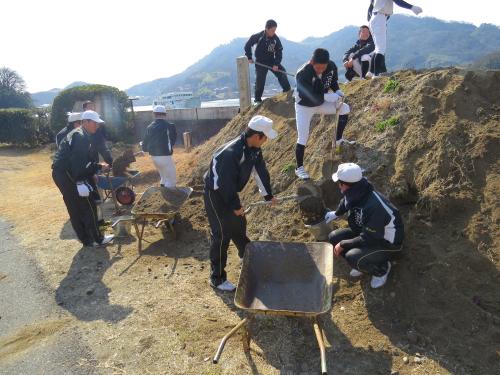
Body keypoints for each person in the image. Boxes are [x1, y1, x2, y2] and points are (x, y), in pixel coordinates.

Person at [203, 116, 278, 291]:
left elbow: (260, 172)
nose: (266, 140)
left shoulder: (254, 149)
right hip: (215, 194)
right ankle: (217, 278)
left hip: (228, 192)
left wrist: (268, 196)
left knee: (239, 224)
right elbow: (225, 183)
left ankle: (246, 255)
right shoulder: (231, 153)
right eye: (265, 137)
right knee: (221, 234)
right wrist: (235, 206)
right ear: (256, 135)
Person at [325, 163, 404, 288]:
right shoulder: (356, 190)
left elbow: (369, 237)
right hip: (368, 232)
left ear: (344, 184)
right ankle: (363, 260)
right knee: (334, 237)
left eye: (339, 183)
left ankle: (381, 269)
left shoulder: (374, 205)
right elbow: (345, 202)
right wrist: (336, 213)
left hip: (387, 243)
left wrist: (344, 244)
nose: (338, 186)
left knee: (352, 256)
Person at [52, 110, 114, 247]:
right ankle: (97, 238)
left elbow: (81, 160)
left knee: (75, 207)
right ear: (86, 122)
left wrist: (92, 172)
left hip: (62, 173)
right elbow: (78, 164)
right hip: (69, 175)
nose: (97, 126)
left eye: (98, 124)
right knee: (88, 205)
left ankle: (86, 240)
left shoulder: (79, 133)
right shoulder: (80, 136)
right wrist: (85, 178)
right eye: (95, 123)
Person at [293, 48, 353, 180]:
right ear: (311, 62)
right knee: (303, 137)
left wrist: (337, 91)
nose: (321, 70)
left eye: (323, 67)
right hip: (304, 106)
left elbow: (332, 81)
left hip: (320, 103)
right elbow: (312, 98)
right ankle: (299, 168)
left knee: (344, 108)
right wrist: (327, 96)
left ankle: (338, 140)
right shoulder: (302, 74)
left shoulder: (330, 66)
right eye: (318, 68)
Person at [367, 0, 423, 77]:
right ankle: (375, 75)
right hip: (380, 18)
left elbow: (371, 7)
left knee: (377, 48)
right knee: (381, 49)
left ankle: (371, 72)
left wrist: (375, 20)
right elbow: (397, 1)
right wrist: (411, 7)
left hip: (374, 18)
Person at [244, 19, 291, 104]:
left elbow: (279, 52)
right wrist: (249, 57)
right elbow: (247, 45)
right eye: (272, 30)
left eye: (275, 30)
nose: (274, 32)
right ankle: (257, 100)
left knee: (282, 72)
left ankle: (287, 92)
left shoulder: (276, 39)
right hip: (260, 62)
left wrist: (276, 64)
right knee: (260, 80)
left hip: (271, 61)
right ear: (267, 28)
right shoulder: (258, 36)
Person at [141, 105, 177, 188]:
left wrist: (144, 149)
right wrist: (169, 146)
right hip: (165, 155)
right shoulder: (170, 126)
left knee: (163, 175)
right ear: (165, 114)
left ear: (154, 115)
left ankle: (163, 190)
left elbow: (145, 141)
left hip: (154, 156)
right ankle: (170, 195)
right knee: (171, 178)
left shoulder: (149, 127)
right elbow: (173, 139)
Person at [82, 100, 113, 165]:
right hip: (90, 141)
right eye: (89, 106)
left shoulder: (96, 116)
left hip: (99, 139)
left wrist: (104, 138)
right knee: (93, 156)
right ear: (84, 108)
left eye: (92, 106)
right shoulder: (83, 119)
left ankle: (111, 165)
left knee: (106, 153)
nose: (92, 108)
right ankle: (95, 170)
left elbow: (103, 127)